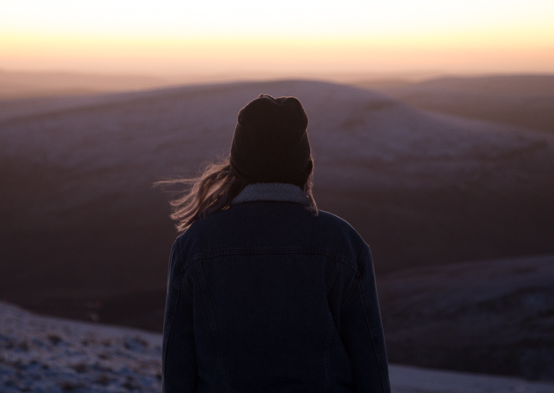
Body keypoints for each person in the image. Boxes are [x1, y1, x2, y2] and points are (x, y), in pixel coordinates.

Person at [161, 94, 390, 393]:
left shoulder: (194, 246)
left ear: (237, 165)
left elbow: (178, 366)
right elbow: (369, 364)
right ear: (305, 166)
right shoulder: (343, 244)